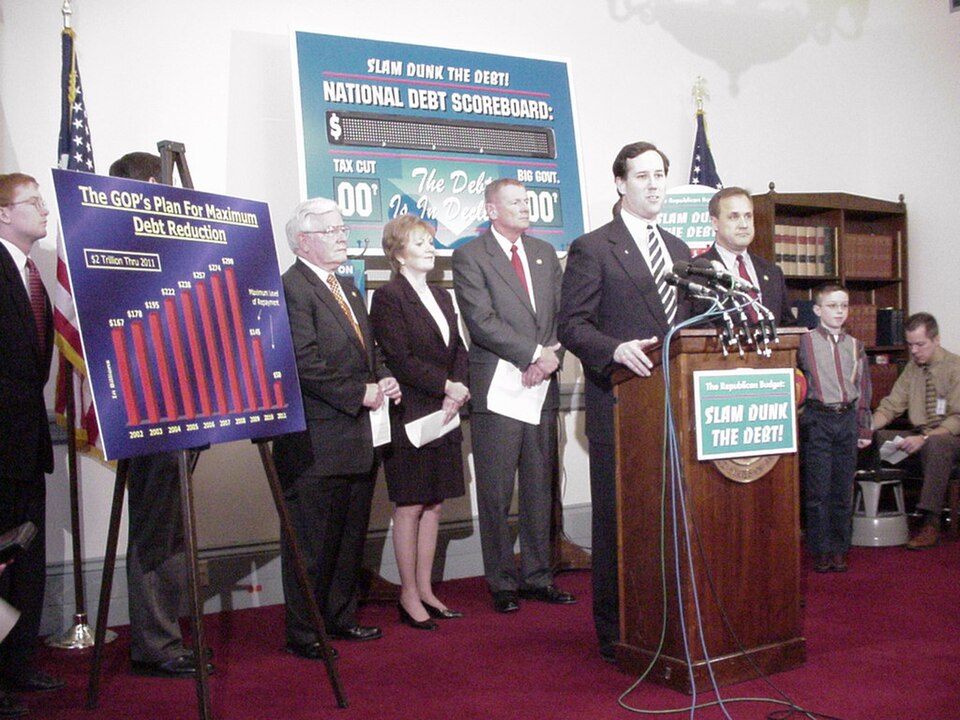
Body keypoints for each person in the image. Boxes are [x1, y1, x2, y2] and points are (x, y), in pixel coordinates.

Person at [557, 141, 692, 662]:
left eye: (660, 174)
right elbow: (571, 325)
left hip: (674, 409)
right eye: (642, 176)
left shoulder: (681, 250)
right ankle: (616, 633)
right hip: (620, 405)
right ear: (620, 184)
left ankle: (668, 619)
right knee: (620, 523)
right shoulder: (594, 247)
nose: (654, 184)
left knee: (670, 521)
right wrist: (614, 349)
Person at [275, 197, 401, 658]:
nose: (343, 235)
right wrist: (359, 393)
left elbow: (370, 351)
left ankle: (340, 618)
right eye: (333, 230)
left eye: (342, 228)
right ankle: (305, 631)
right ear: (305, 240)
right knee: (311, 543)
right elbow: (303, 363)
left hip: (358, 437)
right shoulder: (290, 287)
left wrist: (382, 375)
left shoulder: (345, 286)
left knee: (349, 536)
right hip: (315, 442)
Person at [108, 152, 211, 678]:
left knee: (171, 530)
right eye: (160, 186)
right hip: (147, 409)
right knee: (155, 532)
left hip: (187, 407)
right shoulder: (116, 248)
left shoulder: (167, 246)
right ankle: (155, 644)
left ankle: (166, 634)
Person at [452, 178, 574, 615]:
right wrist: (531, 353)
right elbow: (480, 321)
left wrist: (546, 359)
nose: (526, 208)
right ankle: (502, 581)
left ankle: (539, 577)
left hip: (541, 384)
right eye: (516, 202)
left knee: (540, 487)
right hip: (498, 388)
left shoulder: (543, 254)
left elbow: (564, 314)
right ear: (491, 209)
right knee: (497, 491)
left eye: (527, 201)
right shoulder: (469, 256)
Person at [369, 214, 470, 629]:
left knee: (435, 504)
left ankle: (426, 589)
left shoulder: (442, 296)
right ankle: (408, 594)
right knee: (410, 505)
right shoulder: (388, 297)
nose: (430, 249)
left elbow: (459, 349)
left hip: (446, 412)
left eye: (430, 242)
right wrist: (447, 386)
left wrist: (459, 386)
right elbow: (399, 358)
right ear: (398, 253)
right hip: (410, 412)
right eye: (419, 243)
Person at [0, 173, 65, 716]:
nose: (45, 210)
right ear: (3, 214)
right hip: (1, 446)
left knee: (26, 562)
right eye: (33, 202)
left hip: (27, 443)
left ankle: (19, 664)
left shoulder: (31, 272)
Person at [796, 283, 872, 573]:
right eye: (832, 306)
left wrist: (863, 427)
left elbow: (862, 387)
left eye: (844, 305)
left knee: (842, 488)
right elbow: (796, 381)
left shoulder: (856, 346)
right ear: (817, 310)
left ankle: (840, 548)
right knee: (818, 490)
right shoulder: (804, 343)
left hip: (846, 420)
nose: (839, 311)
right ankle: (820, 549)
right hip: (818, 419)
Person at [872, 312, 960, 549]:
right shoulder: (912, 369)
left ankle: (931, 522)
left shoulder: (955, 367)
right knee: (874, 438)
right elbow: (891, 406)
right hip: (921, 434)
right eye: (910, 345)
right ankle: (862, 513)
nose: (914, 351)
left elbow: (957, 419)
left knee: (936, 444)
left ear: (936, 340)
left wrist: (925, 438)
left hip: (950, 438)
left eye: (920, 344)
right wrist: (866, 428)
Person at [697, 186, 795, 326]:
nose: (744, 225)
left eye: (748, 216)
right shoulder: (699, 272)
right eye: (734, 217)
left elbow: (788, 326)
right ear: (715, 223)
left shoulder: (772, 272)